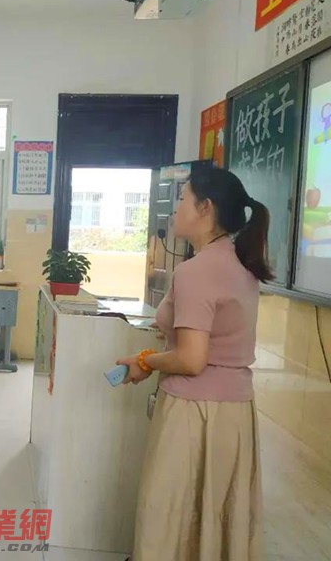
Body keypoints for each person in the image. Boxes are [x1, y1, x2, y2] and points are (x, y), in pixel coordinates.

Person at [116, 167, 269, 561]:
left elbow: (191, 358)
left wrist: (145, 360)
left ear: (205, 208)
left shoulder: (196, 271)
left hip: (194, 412)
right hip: (235, 413)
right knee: (217, 516)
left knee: (170, 515)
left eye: (183, 198)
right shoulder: (241, 265)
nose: (176, 208)